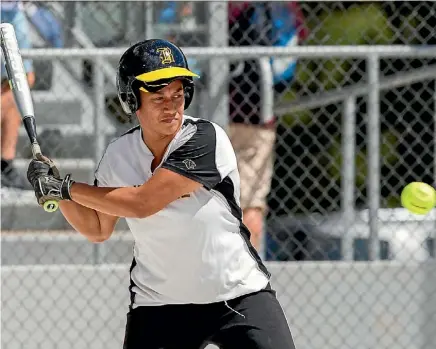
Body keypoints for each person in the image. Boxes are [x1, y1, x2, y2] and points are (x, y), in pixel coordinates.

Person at [26, 39, 297, 349]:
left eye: (178, 95)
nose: (171, 106)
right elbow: (97, 228)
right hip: (160, 304)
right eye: (158, 97)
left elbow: (143, 203)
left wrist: (66, 188)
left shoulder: (205, 138)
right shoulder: (119, 155)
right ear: (131, 100)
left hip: (236, 293)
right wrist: (56, 190)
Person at [228, 2, 308, 252]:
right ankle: (246, 275)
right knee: (250, 201)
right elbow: (298, 37)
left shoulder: (225, 7)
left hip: (202, 110)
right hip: (256, 110)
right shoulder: (281, 6)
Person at [1, 0, 34, 189]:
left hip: (12, 10)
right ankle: (5, 164)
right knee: (19, 83)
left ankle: (5, 164)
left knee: (18, 83)